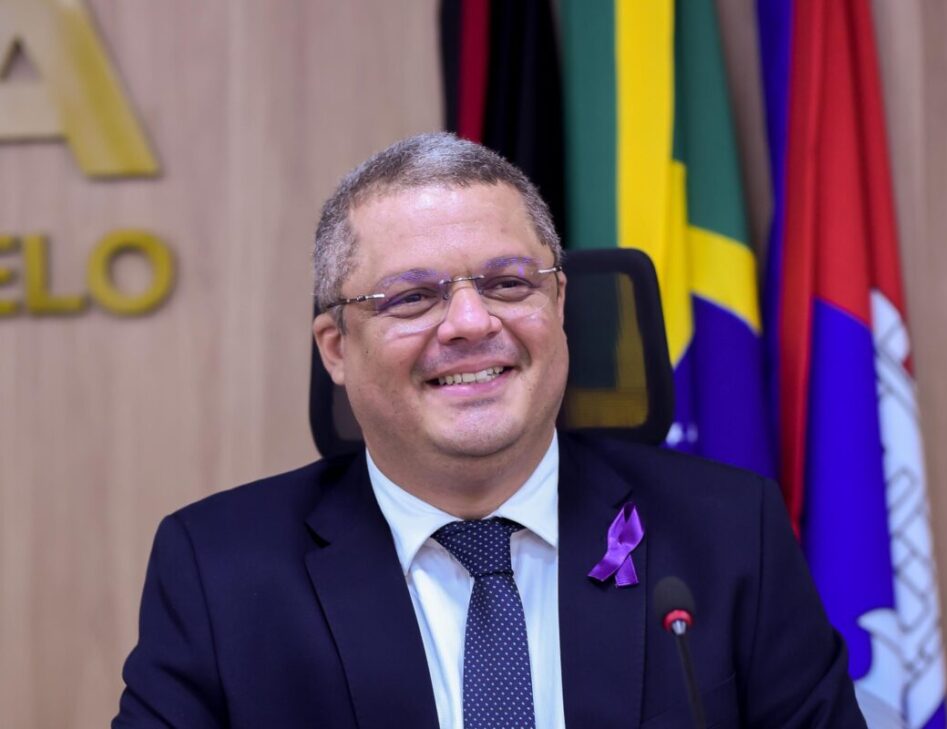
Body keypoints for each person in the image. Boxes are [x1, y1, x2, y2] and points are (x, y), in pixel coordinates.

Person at [114, 133, 866, 728]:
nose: (472, 323)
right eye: (413, 297)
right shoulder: (220, 570)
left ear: (560, 307)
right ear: (336, 349)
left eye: (508, 283)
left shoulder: (729, 535)